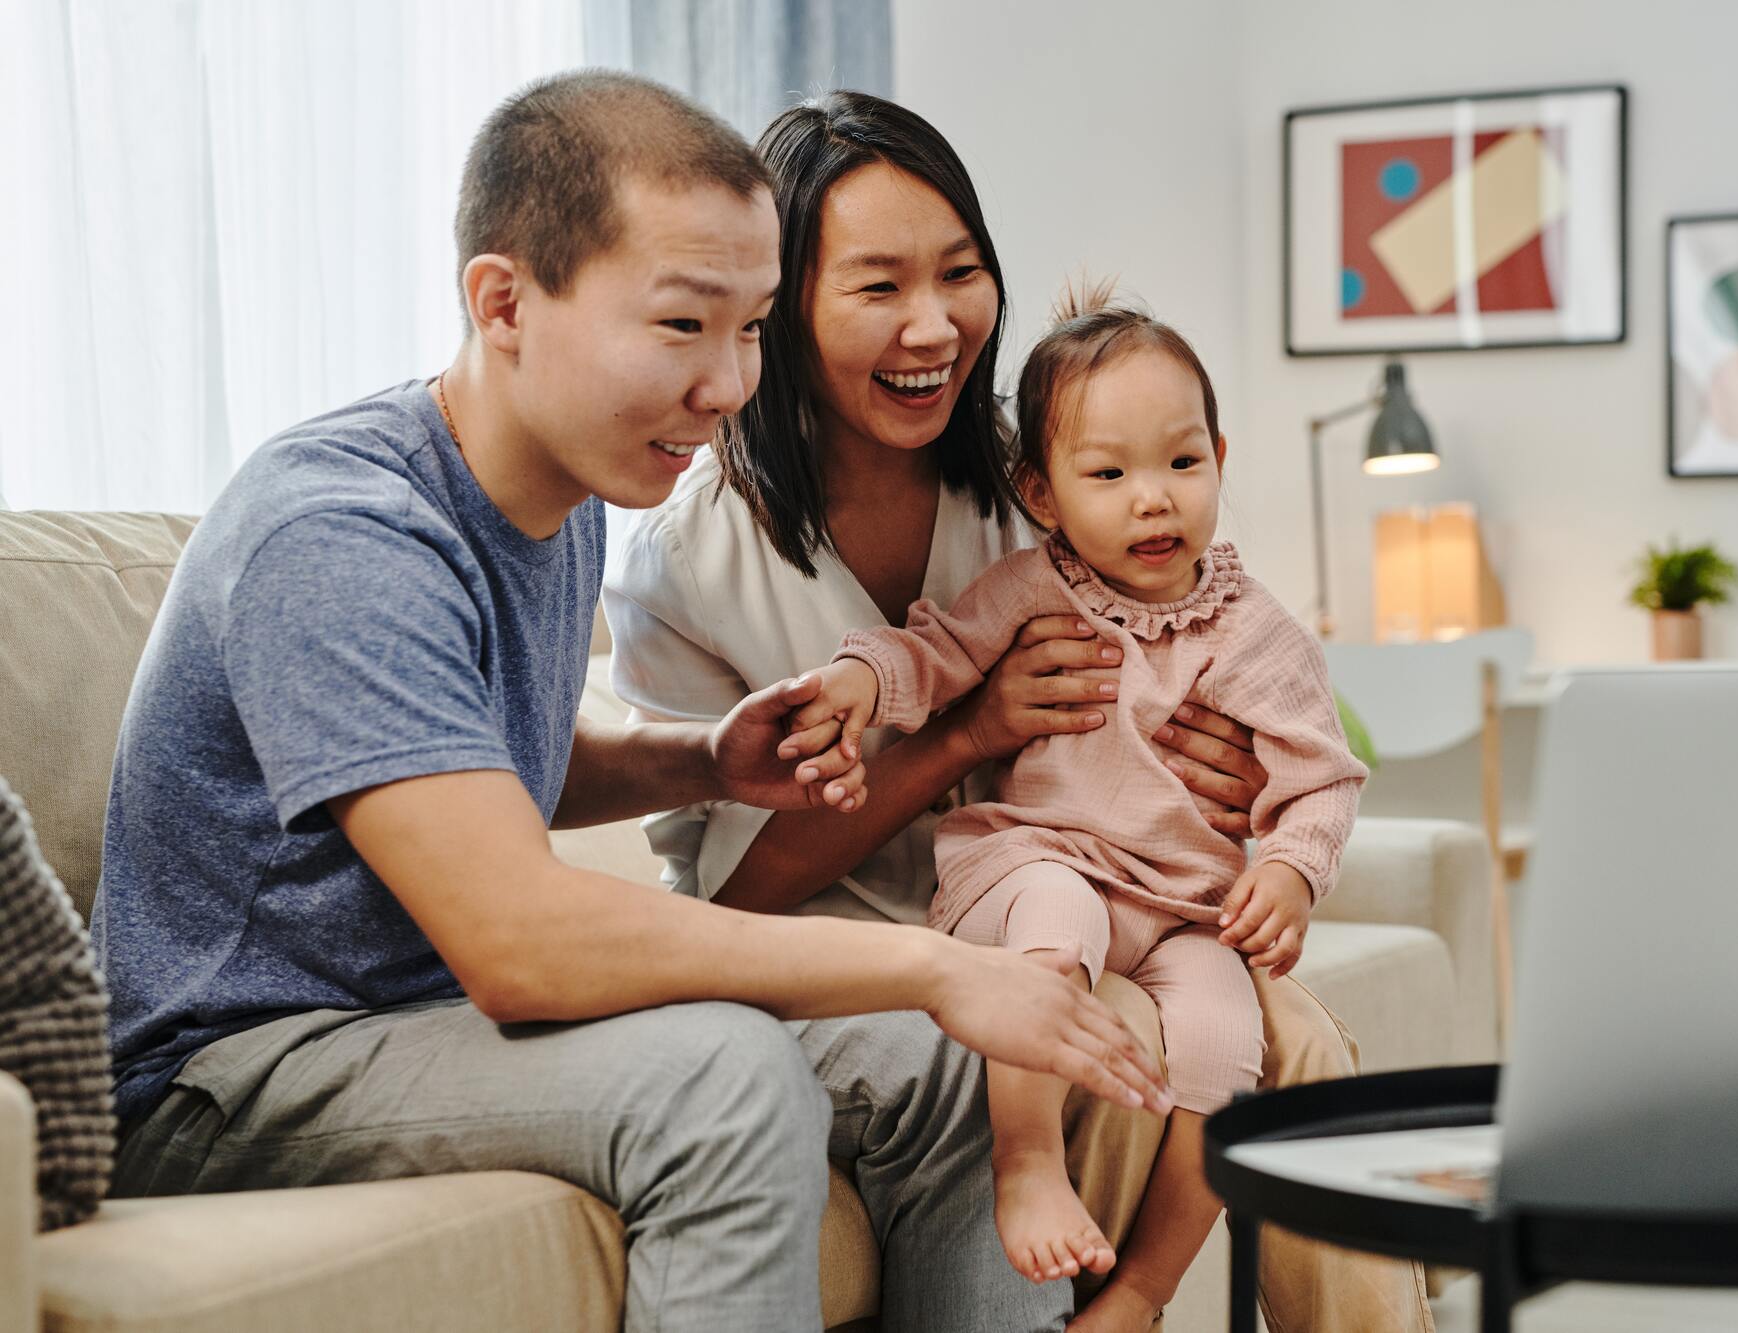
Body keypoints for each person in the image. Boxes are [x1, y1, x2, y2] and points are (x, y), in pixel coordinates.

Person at [90, 70, 1167, 1333]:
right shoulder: (340, 532)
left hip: (414, 1024)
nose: (727, 384)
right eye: (681, 326)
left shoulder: (566, 493)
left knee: (953, 1072)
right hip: (233, 1070)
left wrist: (700, 760)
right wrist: (930, 964)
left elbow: (473, 761)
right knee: (723, 1075)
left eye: (752, 326)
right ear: (502, 302)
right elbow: (522, 943)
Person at [605, 90, 1434, 1332]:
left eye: (961, 272)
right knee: (1083, 1021)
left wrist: (1220, 785)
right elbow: (737, 907)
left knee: (1294, 1042)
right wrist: (964, 731)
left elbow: (1213, 665)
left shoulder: (1046, 472)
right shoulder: (694, 563)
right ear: (780, 304)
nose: (933, 324)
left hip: (1109, 896)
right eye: (877, 285)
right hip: (863, 959)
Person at [789, 282, 1369, 1329]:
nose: (1153, 500)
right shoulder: (1028, 589)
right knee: (1061, 920)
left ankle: (1142, 1286)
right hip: (1032, 867)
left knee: (1226, 1049)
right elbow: (930, 653)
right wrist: (859, 683)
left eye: (1181, 463)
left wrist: (1287, 867)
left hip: (1184, 908)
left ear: (1219, 460)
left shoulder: (1256, 632)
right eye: (1108, 474)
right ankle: (1022, 1164)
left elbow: (1318, 776)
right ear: (1043, 493)